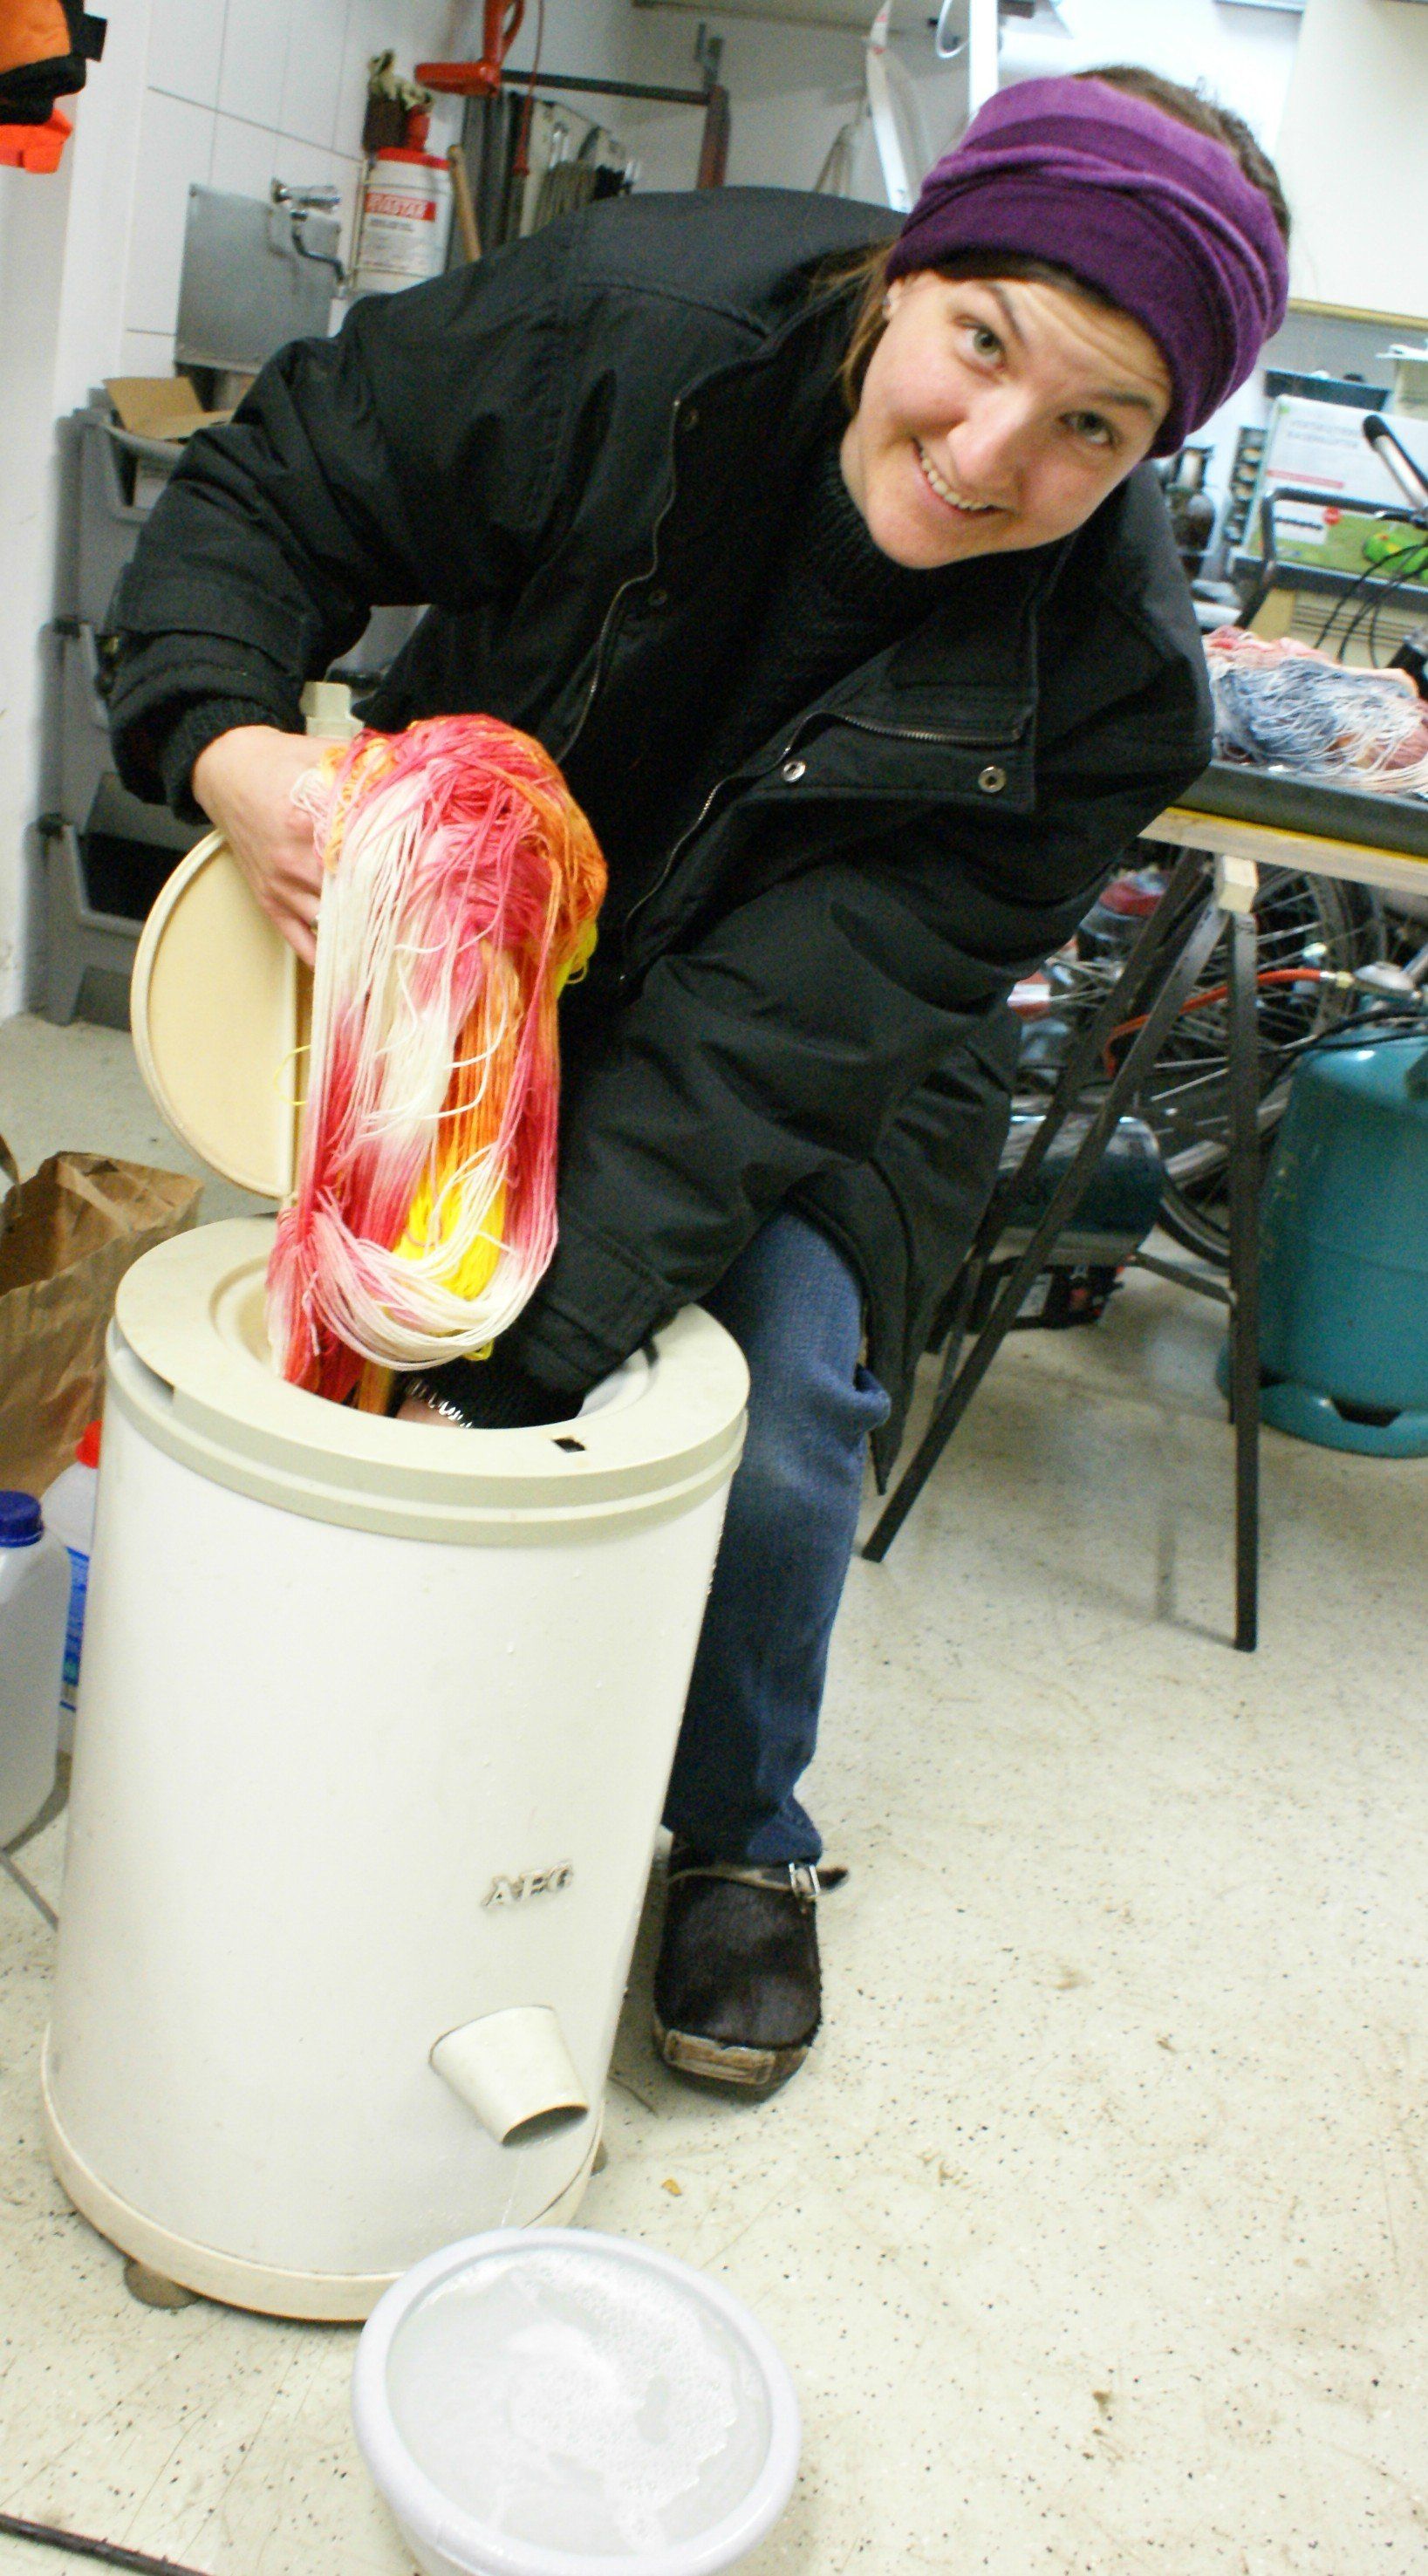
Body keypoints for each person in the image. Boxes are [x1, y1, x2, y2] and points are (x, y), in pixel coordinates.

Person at [106, 68, 1289, 2096]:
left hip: (817, 1050)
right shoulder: (631, 335)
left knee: (777, 1415)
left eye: (1094, 428)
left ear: (1154, 452)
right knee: (355, 1313)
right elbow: (276, 483)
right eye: (980, 342)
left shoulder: (1104, 689)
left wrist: (509, 1367)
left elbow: (759, 1055)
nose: (990, 452)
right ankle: (351, 1715)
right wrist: (233, 751)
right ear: (908, 273)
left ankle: (739, 1830)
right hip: (480, 935)